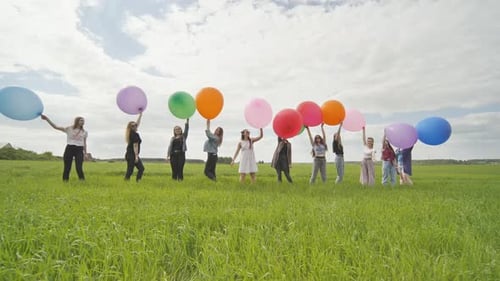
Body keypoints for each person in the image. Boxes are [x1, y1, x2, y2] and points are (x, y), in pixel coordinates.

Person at [41, 114, 88, 181]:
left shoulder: (85, 132)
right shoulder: (69, 128)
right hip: (70, 148)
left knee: (79, 167)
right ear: (77, 121)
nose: (83, 122)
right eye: (81, 120)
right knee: (67, 167)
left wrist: (85, 153)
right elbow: (55, 127)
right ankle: (65, 181)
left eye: (83, 121)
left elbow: (85, 143)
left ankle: (82, 181)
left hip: (79, 149)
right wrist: (47, 119)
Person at [124, 112, 144, 182]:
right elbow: (135, 145)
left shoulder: (133, 133)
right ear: (130, 127)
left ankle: (138, 181)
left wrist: (140, 115)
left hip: (131, 154)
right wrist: (136, 156)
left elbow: (137, 123)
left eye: (135, 125)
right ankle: (127, 182)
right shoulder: (133, 134)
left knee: (140, 168)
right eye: (132, 126)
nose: (135, 126)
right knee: (131, 170)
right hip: (131, 154)